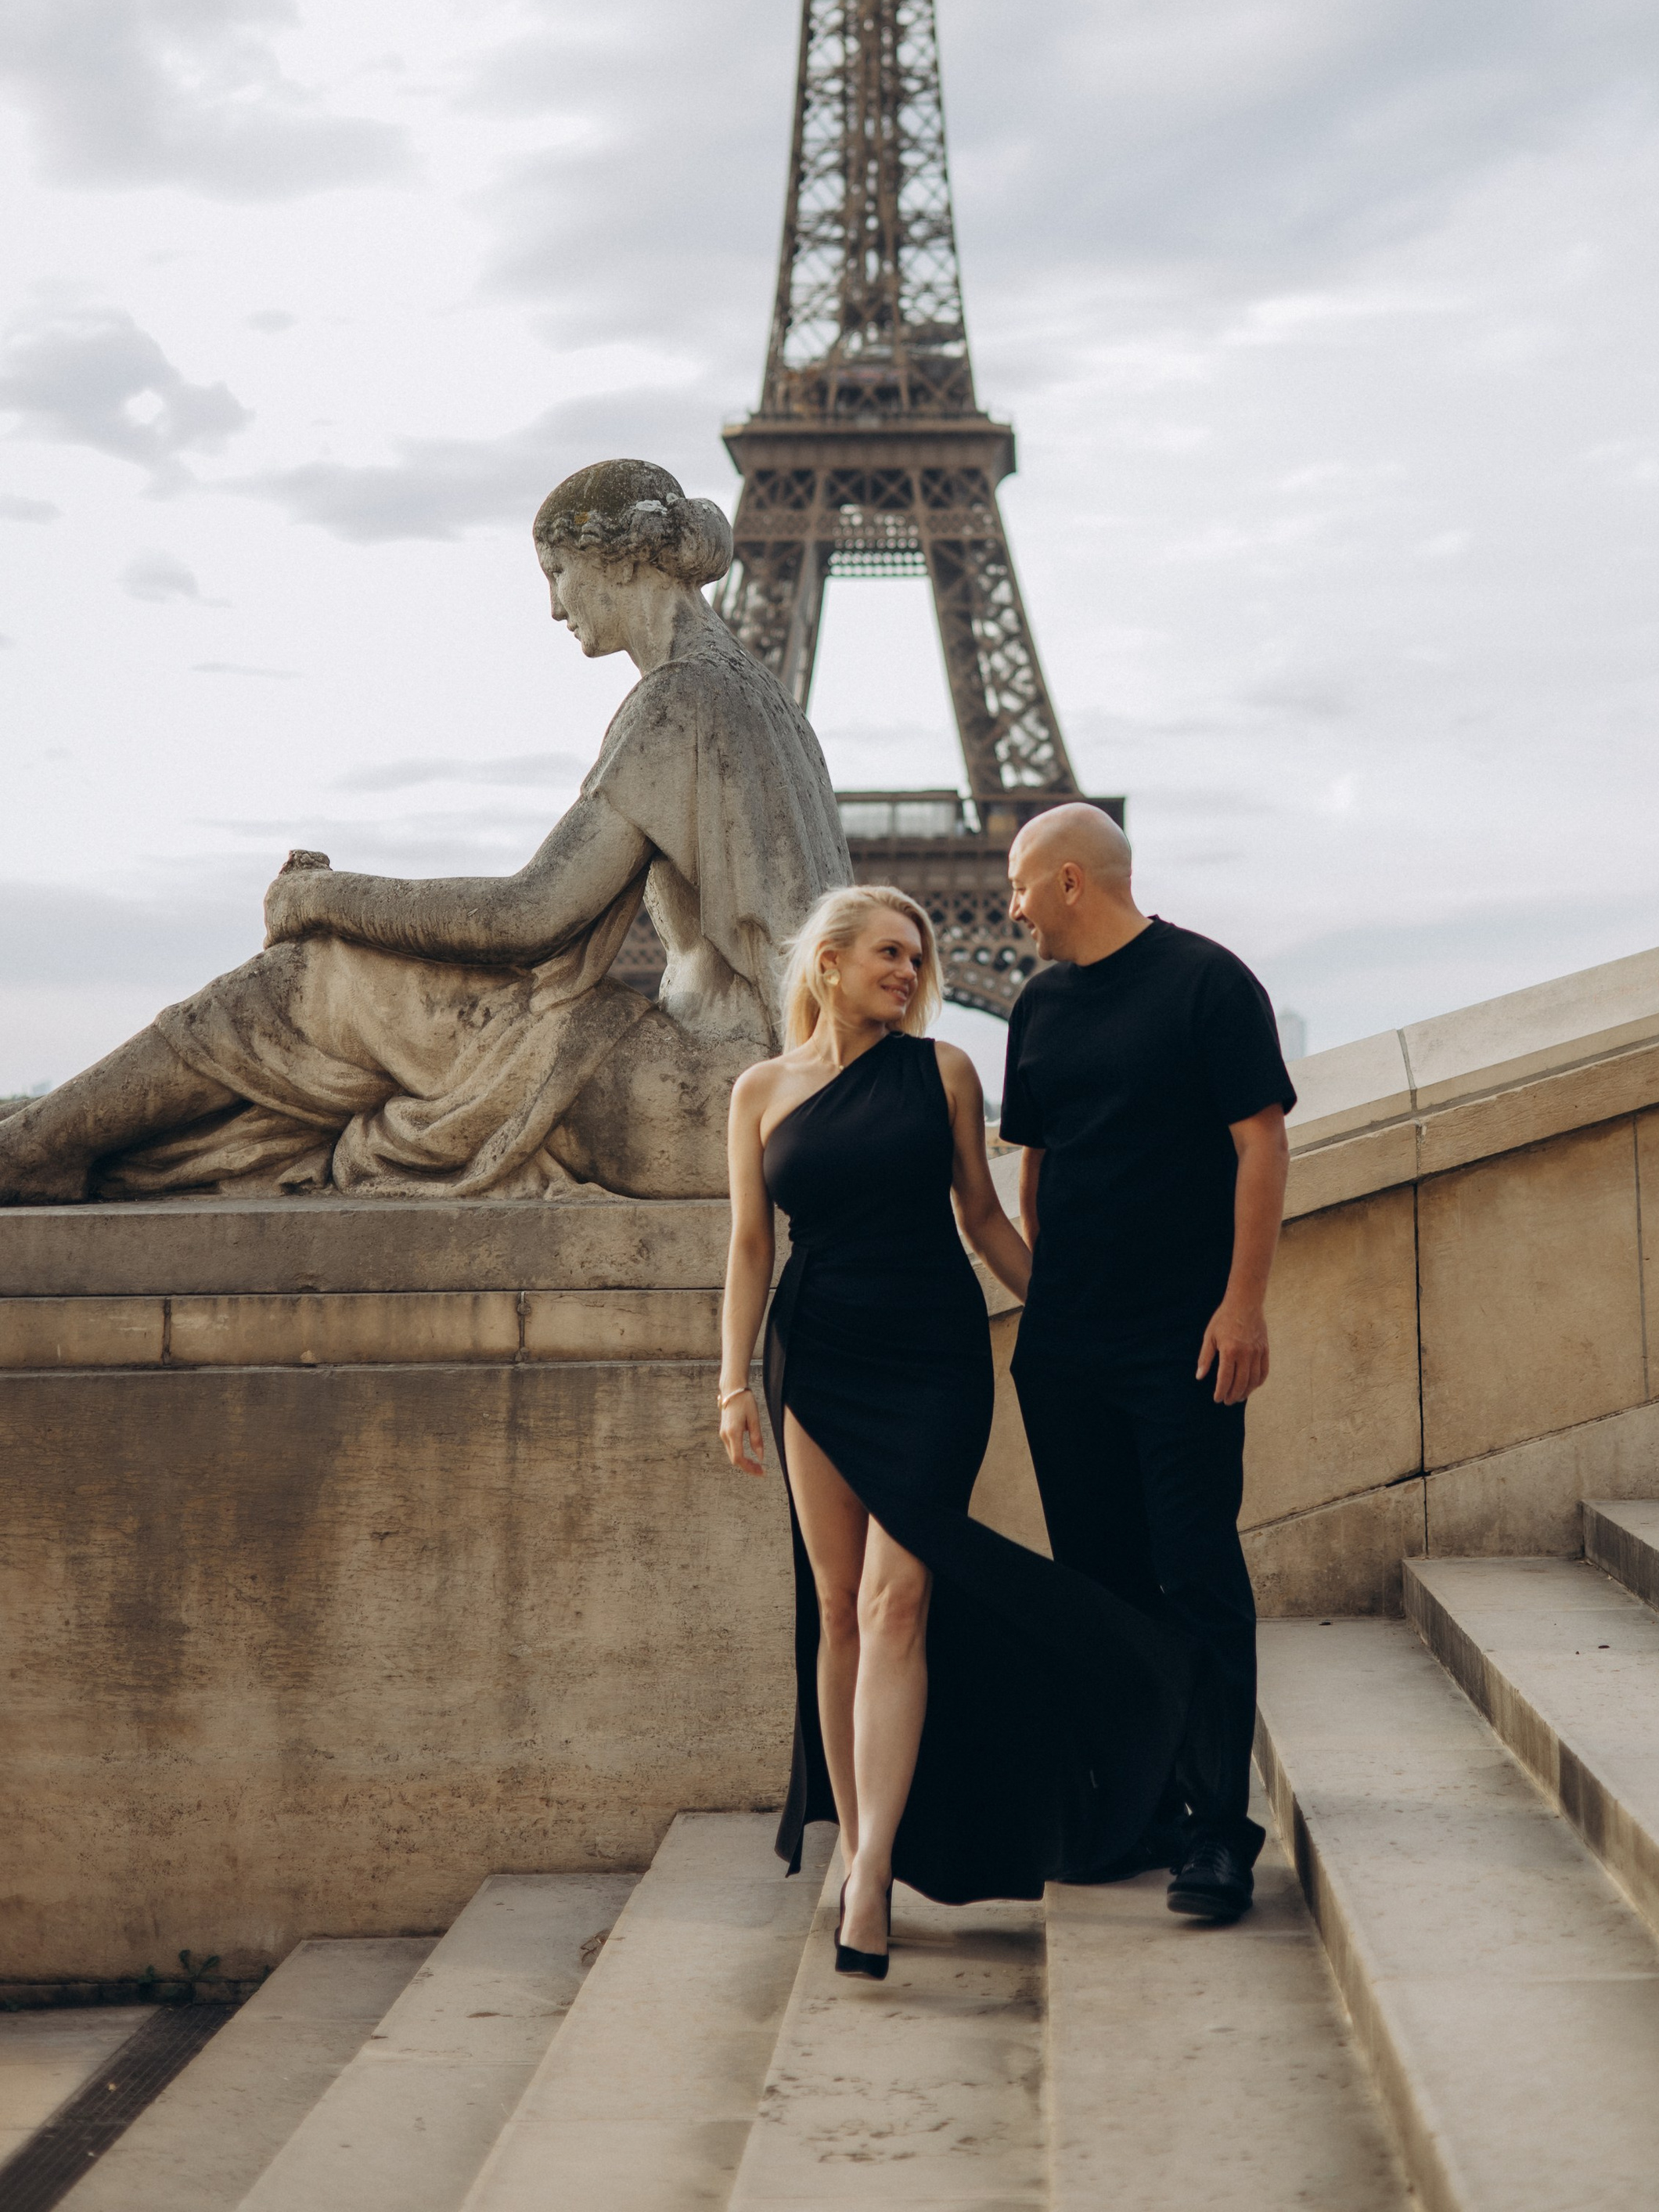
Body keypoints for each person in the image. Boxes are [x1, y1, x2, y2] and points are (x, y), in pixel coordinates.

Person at [0, 460, 848, 1204]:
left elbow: (529, 916)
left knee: (316, 981)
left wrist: (320, 898)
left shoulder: (681, 699)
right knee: (345, 1007)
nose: (554, 608)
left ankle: (32, 1153)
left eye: (557, 572)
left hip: (719, 1098)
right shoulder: (762, 698)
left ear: (619, 560)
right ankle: (61, 1142)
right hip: (779, 1094)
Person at [718, 884, 1200, 1975]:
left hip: (931, 1356)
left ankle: (876, 1870)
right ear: (828, 962)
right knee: (838, 1609)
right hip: (817, 1355)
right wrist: (731, 1384)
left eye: (919, 955)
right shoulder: (757, 1092)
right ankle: (856, 1845)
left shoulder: (941, 1072)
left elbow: (983, 1218)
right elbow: (752, 1248)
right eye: (889, 952)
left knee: (898, 1599)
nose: (910, 969)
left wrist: (1074, 1324)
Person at [1000, 803, 1295, 1926]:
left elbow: (1260, 1142)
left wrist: (1244, 1305)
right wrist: (1051, 1303)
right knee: (1103, 1590)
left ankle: (1220, 1830)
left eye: (1023, 886)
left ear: (1073, 880)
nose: (1012, 907)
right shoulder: (1035, 1004)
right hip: (1068, 1348)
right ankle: (1140, 1812)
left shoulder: (1209, 983)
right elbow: (1036, 1171)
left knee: (1195, 1575)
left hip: (1184, 1339)